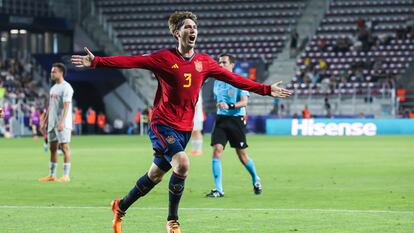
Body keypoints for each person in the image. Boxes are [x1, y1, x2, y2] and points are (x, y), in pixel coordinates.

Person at [71, 11, 291, 233]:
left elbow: (235, 79)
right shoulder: (163, 58)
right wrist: (97, 61)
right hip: (162, 123)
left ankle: (120, 206)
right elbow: (131, 61)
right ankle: (172, 221)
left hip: (184, 128)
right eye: (187, 27)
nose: (193, 30)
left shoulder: (204, 62)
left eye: (194, 27)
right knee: (183, 163)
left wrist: (265, 89)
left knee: (155, 176)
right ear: (177, 33)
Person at [206, 53, 262, 198]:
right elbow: (218, 100)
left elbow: (244, 102)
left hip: (236, 120)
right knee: (217, 150)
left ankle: (256, 179)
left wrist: (229, 105)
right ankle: (219, 189)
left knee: (241, 154)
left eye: (224, 62)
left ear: (232, 65)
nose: (221, 65)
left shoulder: (239, 81)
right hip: (221, 119)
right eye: (219, 62)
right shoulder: (216, 81)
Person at [38, 63, 74, 183]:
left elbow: (66, 106)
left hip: (62, 124)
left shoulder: (66, 87)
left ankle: (66, 175)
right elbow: (51, 106)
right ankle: (52, 175)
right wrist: (45, 120)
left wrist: (62, 122)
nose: (52, 73)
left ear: (61, 73)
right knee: (52, 148)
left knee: (65, 147)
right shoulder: (53, 88)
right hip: (52, 123)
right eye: (52, 71)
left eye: (54, 71)